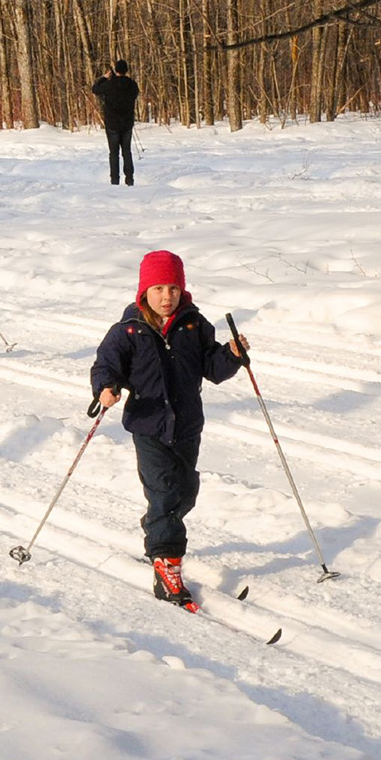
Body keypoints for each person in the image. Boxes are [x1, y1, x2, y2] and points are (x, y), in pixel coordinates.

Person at [91, 250, 248, 608]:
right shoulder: (128, 330)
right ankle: (166, 562)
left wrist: (233, 355)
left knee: (185, 490)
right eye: (158, 288)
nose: (166, 296)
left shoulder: (194, 325)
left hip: (188, 424)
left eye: (174, 288)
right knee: (164, 491)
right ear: (143, 291)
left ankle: (158, 525)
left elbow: (213, 368)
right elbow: (105, 365)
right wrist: (107, 387)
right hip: (148, 424)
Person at [92, 58, 139, 186]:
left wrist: (104, 78)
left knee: (114, 154)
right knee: (127, 152)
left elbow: (95, 89)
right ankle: (130, 179)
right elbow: (135, 94)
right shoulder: (132, 85)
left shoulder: (109, 84)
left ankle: (114, 181)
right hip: (127, 124)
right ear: (126, 70)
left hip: (112, 124)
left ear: (116, 70)